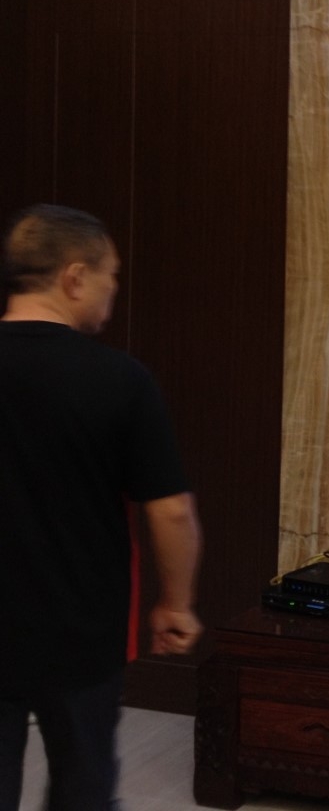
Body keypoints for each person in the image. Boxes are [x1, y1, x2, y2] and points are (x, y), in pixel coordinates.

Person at [0, 204, 203, 811]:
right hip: (81, 634)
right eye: (111, 274)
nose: (113, 289)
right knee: (82, 786)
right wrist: (175, 604)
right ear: (74, 277)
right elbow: (170, 511)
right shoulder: (119, 380)